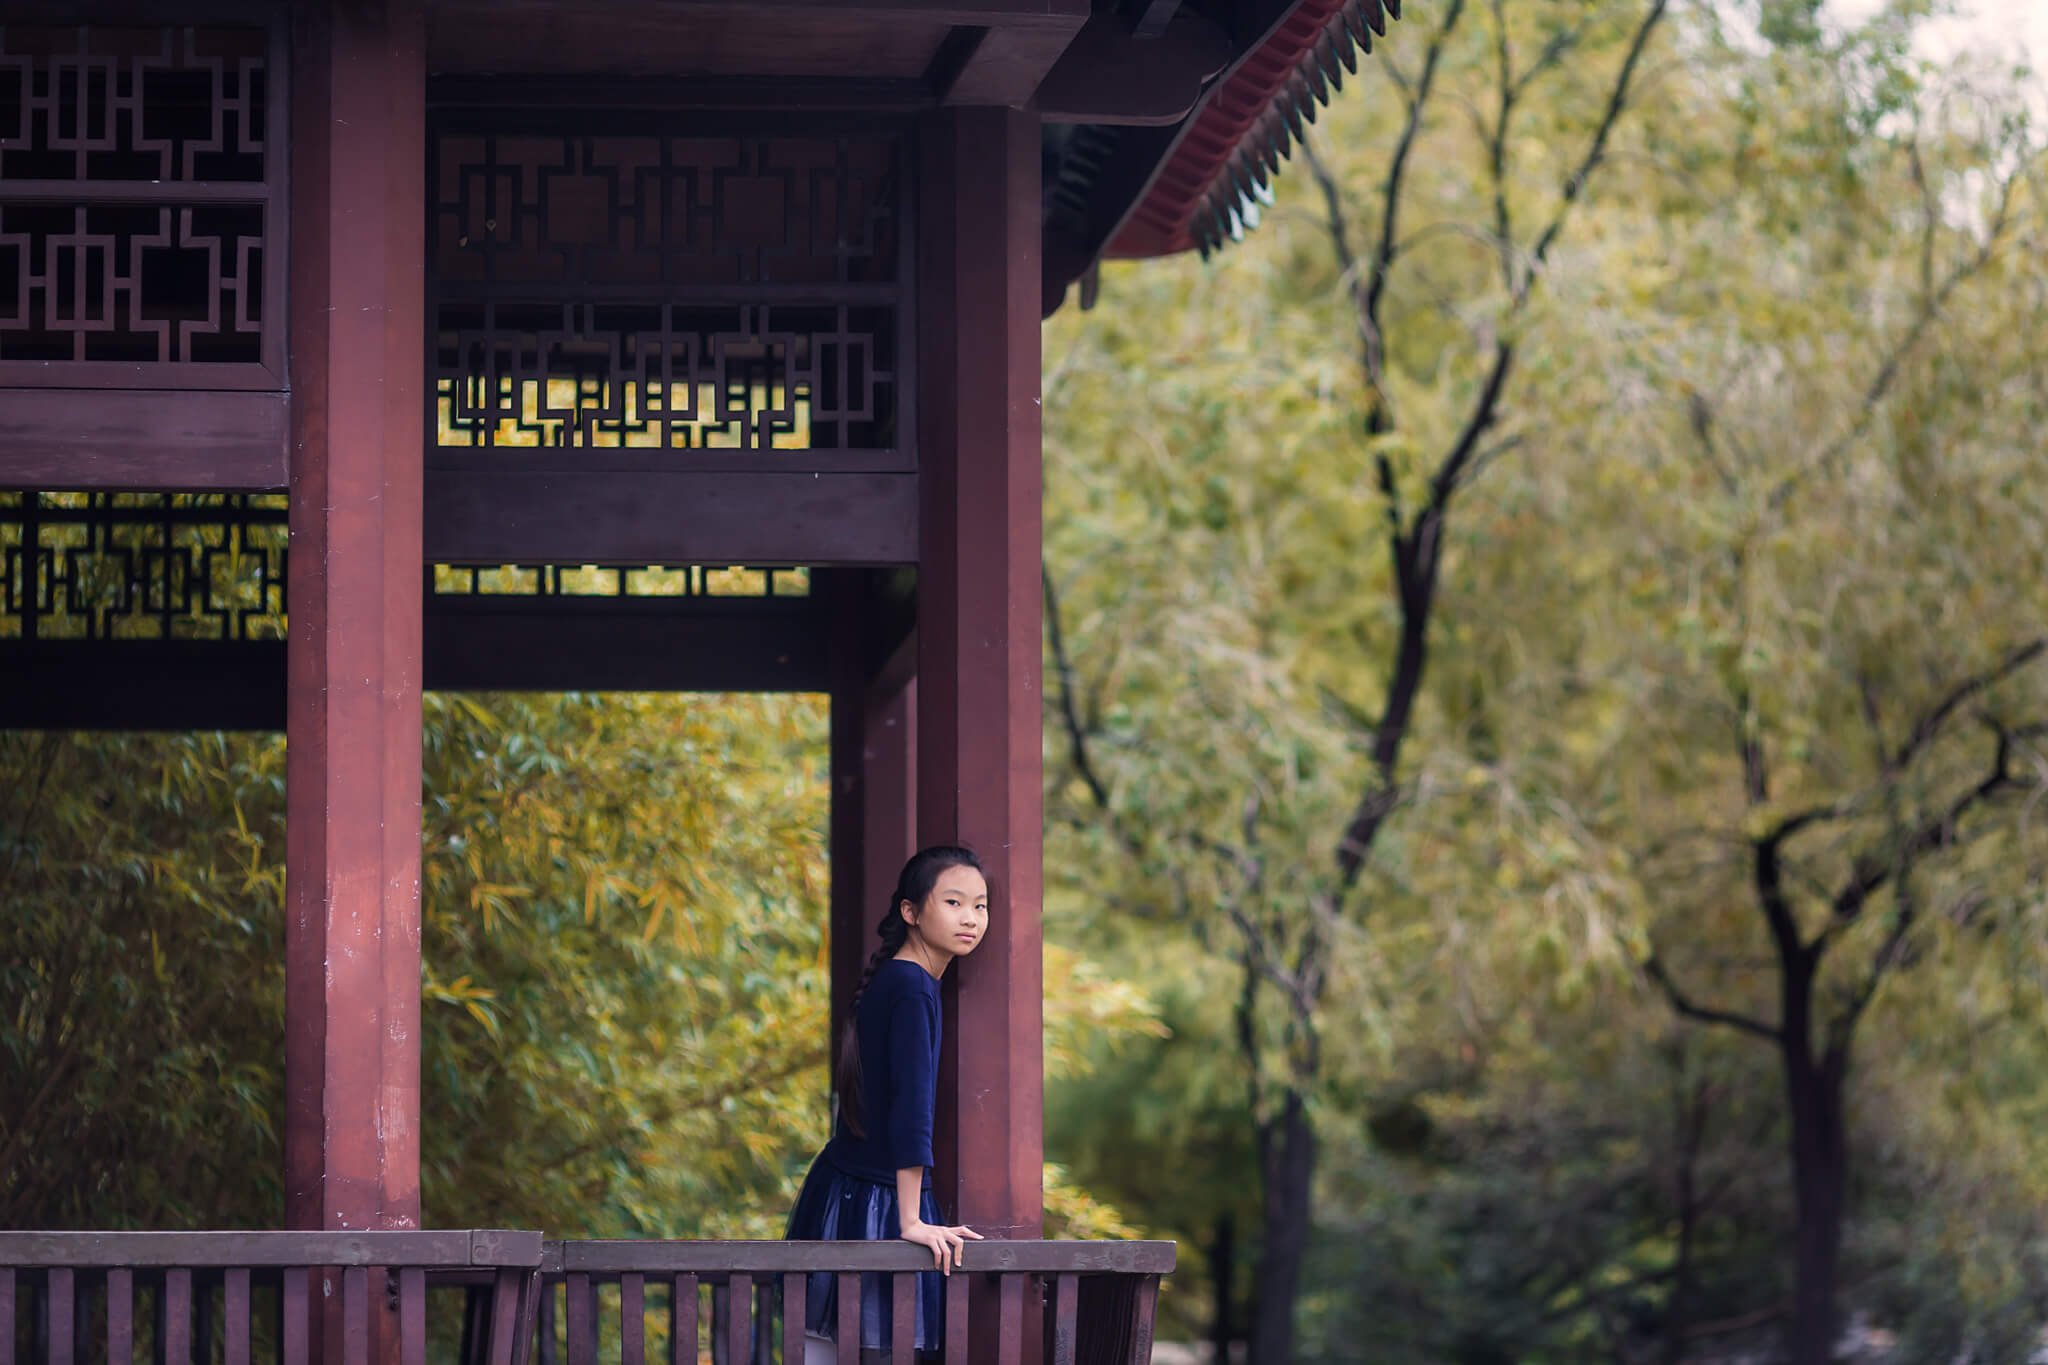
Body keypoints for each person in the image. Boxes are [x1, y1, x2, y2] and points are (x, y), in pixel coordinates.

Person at [785, 846, 989, 1363]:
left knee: (827, 1351)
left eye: (981, 906)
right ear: (910, 911)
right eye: (953, 902)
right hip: (877, 1201)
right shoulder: (912, 987)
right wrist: (910, 1221)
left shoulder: (901, 982)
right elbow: (911, 1108)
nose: (970, 918)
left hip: (846, 1190)